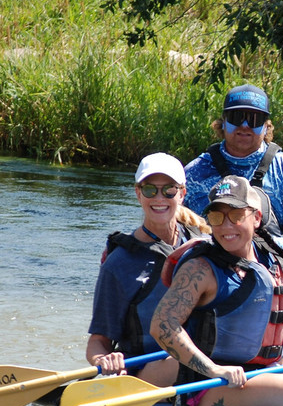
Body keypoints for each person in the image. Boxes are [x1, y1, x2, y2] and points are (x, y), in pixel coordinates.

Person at [150, 175, 283, 406]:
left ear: (256, 218)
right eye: (216, 217)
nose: (225, 226)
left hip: (268, 378)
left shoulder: (271, 259)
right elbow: (163, 324)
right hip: (208, 392)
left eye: (235, 215)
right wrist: (213, 368)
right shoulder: (201, 269)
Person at [182, 83, 283, 312]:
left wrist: (254, 248)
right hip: (210, 278)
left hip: (272, 278)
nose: (245, 126)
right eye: (237, 117)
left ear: (266, 126)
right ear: (223, 122)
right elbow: (173, 231)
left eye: (254, 120)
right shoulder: (194, 173)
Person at [86, 153, 208, 385]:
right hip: (149, 371)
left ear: (182, 193)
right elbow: (98, 341)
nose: (159, 198)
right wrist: (104, 359)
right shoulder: (118, 263)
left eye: (169, 190)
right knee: (177, 359)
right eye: (151, 190)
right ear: (138, 194)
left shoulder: (203, 246)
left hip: (203, 364)